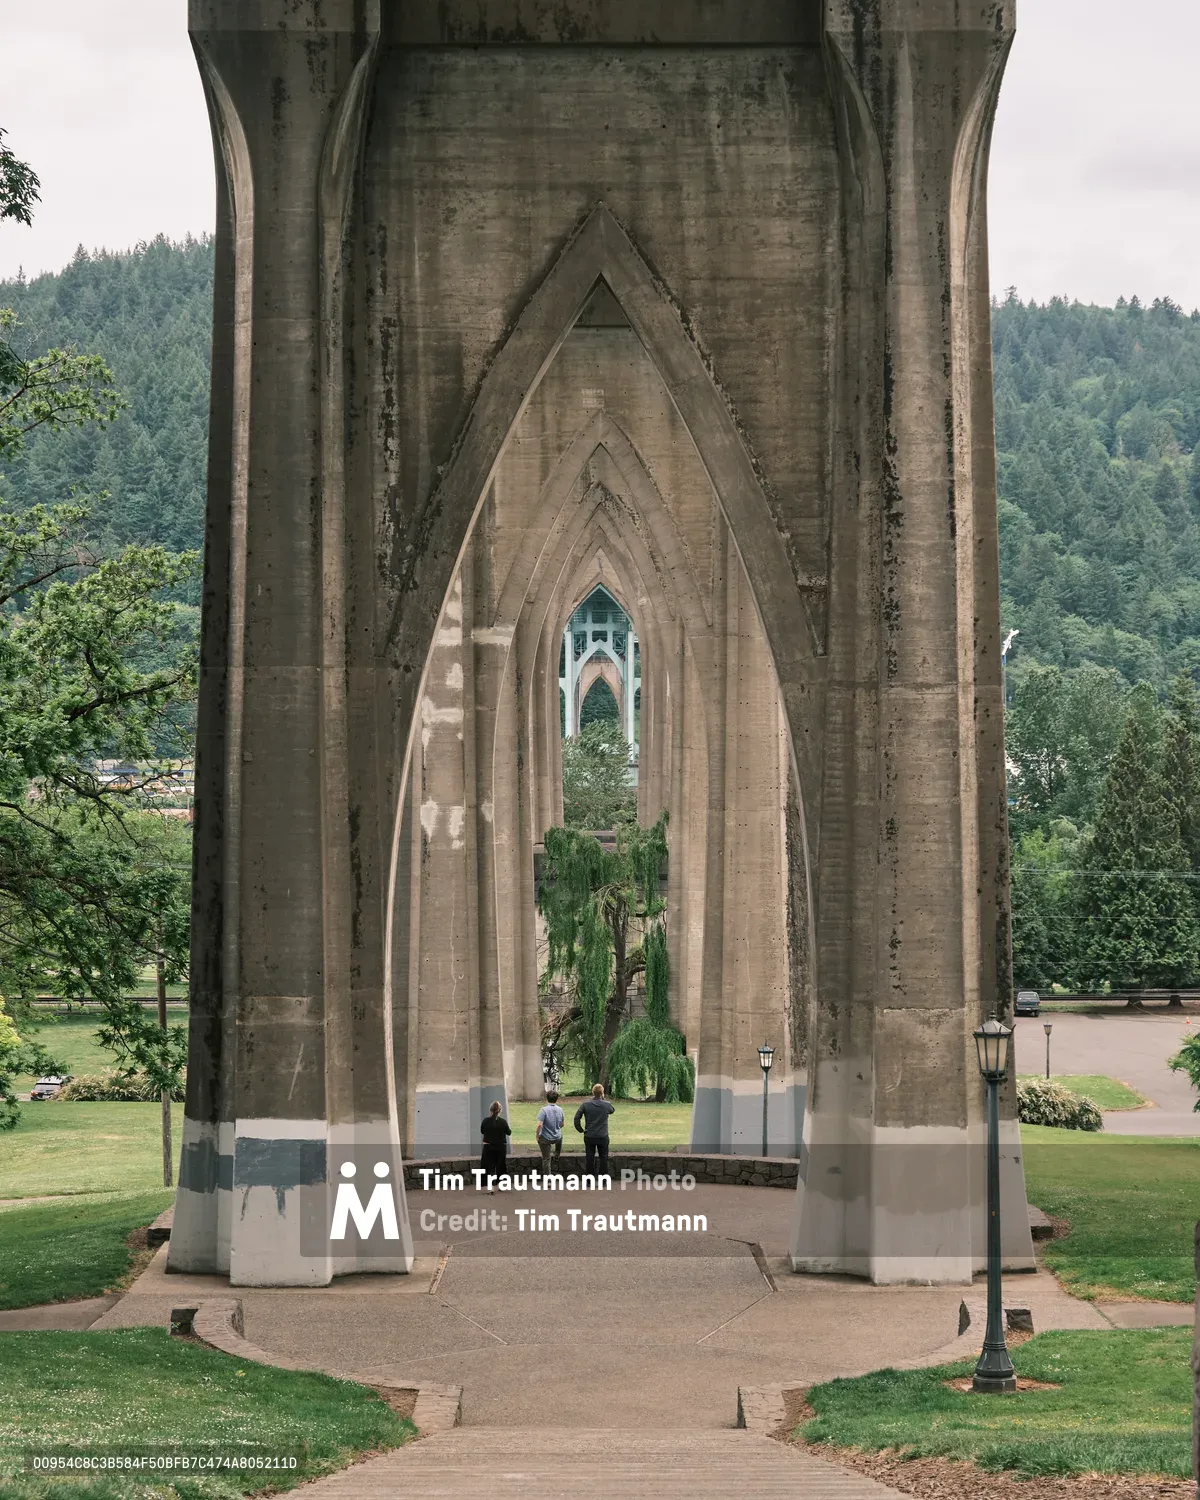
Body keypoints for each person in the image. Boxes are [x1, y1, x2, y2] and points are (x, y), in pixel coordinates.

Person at [573, 1082, 615, 1175]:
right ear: (602, 1093)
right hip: (602, 1135)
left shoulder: (585, 1104)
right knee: (603, 1158)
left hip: (589, 1135)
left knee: (589, 1158)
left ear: (593, 1092)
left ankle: (589, 1180)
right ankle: (603, 1179)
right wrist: (603, 1099)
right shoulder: (606, 1104)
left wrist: (580, 1129)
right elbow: (612, 1110)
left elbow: (576, 1118)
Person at [480, 1098, 511, 1192]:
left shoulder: (485, 1121)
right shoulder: (503, 1122)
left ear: (490, 1110)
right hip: (501, 1147)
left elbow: (482, 1131)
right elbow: (509, 1132)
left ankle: (490, 1187)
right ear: (500, 1110)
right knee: (500, 1166)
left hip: (488, 1146)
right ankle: (501, 1185)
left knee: (488, 1167)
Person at [536, 1090, 565, 1172]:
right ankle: (556, 1155)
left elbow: (539, 1125)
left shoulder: (543, 1110)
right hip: (557, 1137)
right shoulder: (560, 1110)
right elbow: (562, 1124)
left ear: (547, 1098)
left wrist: (537, 1136)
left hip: (545, 1138)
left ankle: (548, 1181)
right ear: (556, 1099)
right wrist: (555, 1127)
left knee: (546, 1159)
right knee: (560, 1136)